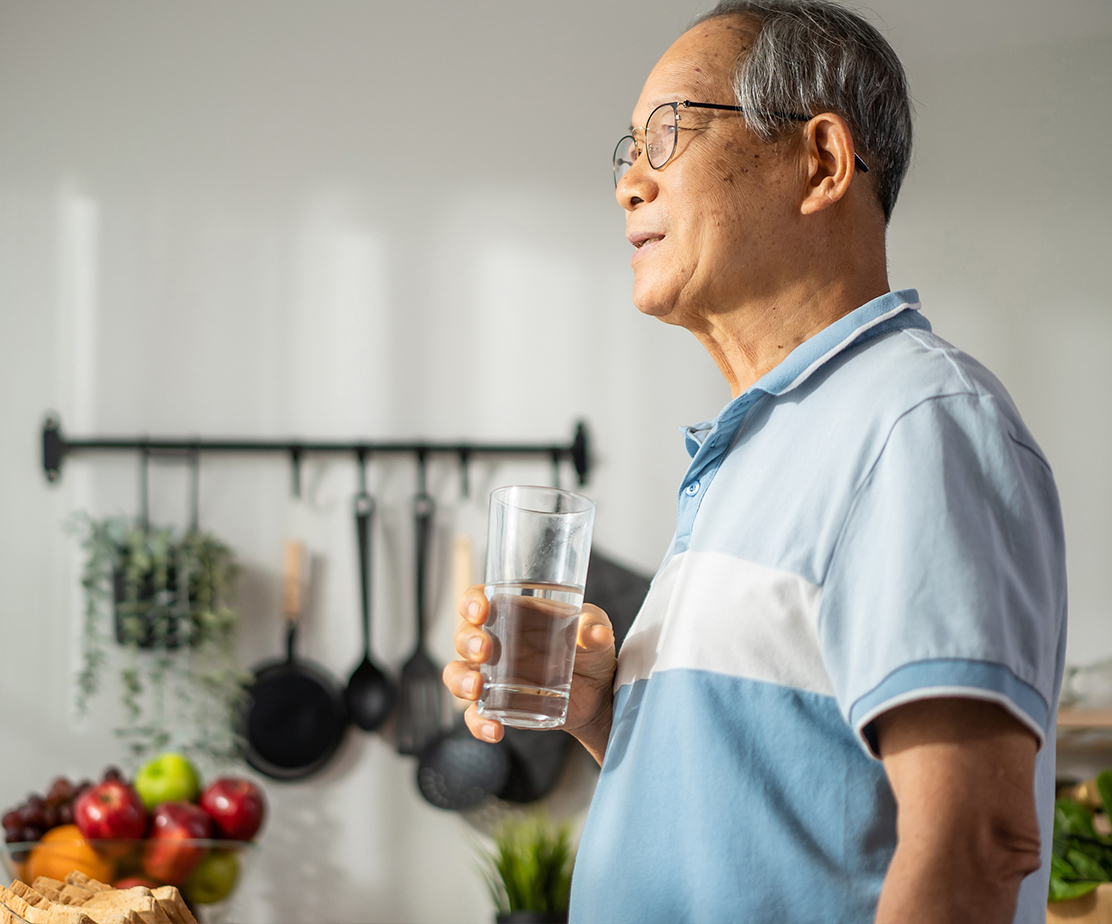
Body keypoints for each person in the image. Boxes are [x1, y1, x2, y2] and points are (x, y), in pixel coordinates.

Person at [443, 1, 1067, 922]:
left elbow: (977, 841)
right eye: (627, 151)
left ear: (820, 161)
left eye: (668, 133)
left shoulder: (915, 421)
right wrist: (605, 717)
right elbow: (782, 807)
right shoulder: (755, 450)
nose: (629, 186)